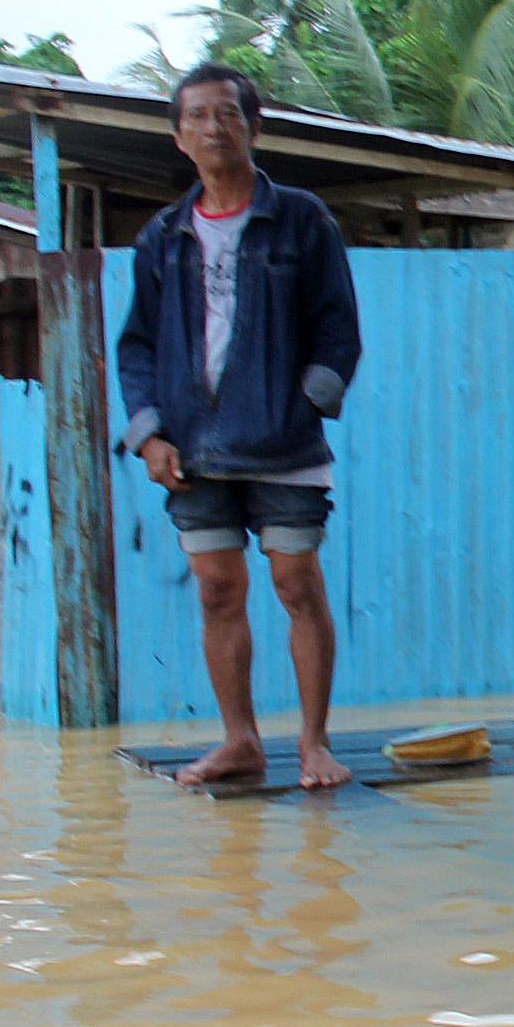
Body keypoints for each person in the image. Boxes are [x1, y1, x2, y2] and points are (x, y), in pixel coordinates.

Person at [115, 64, 364, 790]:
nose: (213, 128)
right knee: (218, 591)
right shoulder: (161, 238)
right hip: (190, 448)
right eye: (197, 117)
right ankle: (240, 742)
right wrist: (148, 435)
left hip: (284, 444)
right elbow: (137, 346)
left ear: (254, 128)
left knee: (295, 583)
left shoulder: (302, 218)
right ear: (177, 137)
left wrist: (304, 405)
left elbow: (338, 328)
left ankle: (314, 744)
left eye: (228, 115)